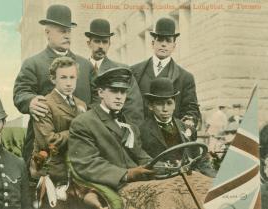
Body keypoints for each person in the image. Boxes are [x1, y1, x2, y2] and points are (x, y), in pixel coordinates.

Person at [68, 68, 212, 208]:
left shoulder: (129, 124)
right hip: (116, 184)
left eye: (123, 91)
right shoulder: (84, 122)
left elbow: (141, 156)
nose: (119, 96)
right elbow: (87, 164)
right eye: (113, 91)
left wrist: (167, 168)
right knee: (166, 196)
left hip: (139, 181)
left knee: (197, 184)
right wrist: (127, 174)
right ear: (101, 93)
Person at [13, 4, 94, 162]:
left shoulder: (85, 65)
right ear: (47, 32)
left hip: (83, 146)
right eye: (61, 30)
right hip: (47, 146)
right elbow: (20, 92)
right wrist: (30, 101)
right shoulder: (33, 63)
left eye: (69, 31)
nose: (67, 35)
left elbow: (98, 97)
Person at [30, 57, 105, 209]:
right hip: (53, 175)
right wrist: (78, 131)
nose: (69, 83)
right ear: (53, 79)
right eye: (63, 77)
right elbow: (49, 141)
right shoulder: (45, 104)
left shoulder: (81, 104)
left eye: (72, 77)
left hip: (78, 175)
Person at [131, 17, 200, 128]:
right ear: (153, 43)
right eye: (160, 40)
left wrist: (188, 121)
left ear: (174, 46)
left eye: (168, 41)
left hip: (169, 138)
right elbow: (129, 105)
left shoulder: (185, 77)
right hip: (139, 136)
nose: (163, 44)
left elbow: (190, 109)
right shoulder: (135, 72)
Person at [139, 78, 216, 177]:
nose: (165, 109)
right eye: (159, 104)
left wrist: (214, 179)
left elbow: (200, 160)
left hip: (189, 178)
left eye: (169, 103)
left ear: (174, 104)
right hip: (160, 180)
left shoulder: (188, 129)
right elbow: (142, 162)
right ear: (150, 106)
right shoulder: (141, 131)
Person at [85, 18, 144, 126]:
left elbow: (134, 108)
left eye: (105, 42)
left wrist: (128, 132)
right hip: (85, 128)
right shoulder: (79, 69)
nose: (101, 46)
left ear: (109, 44)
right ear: (89, 43)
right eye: (97, 41)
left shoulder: (122, 71)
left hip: (114, 130)